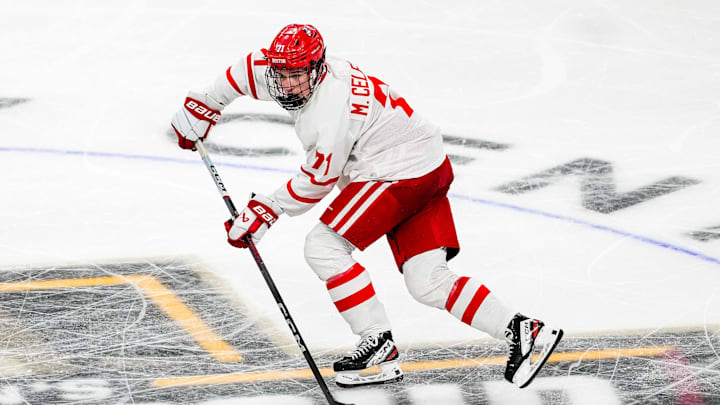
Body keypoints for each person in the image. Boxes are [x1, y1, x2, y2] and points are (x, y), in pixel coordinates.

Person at [171, 24, 563, 389]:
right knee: (427, 282)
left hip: (398, 173)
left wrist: (266, 210)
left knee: (323, 246)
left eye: (297, 75)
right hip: (428, 165)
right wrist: (206, 104)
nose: (288, 84)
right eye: (282, 74)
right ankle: (523, 330)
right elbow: (245, 70)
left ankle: (375, 342)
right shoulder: (288, 69)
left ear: (318, 69)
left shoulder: (331, 108)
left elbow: (320, 179)